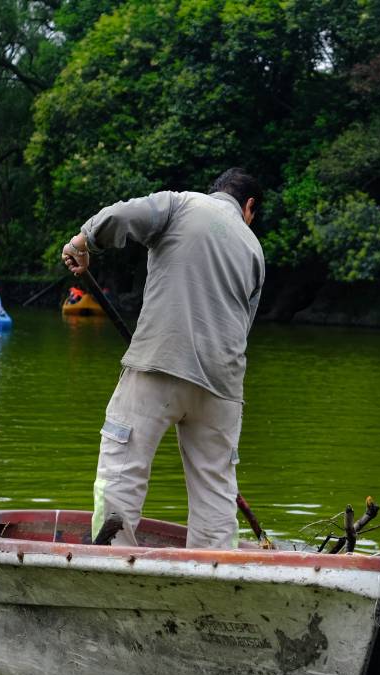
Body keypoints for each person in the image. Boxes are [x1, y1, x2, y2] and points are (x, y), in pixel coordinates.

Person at [61, 167, 264, 549]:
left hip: (160, 364)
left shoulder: (180, 203)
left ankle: (113, 563)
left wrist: (83, 240)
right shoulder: (255, 249)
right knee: (216, 488)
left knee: (122, 468)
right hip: (223, 386)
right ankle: (215, 573)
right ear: (248, 206)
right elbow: (244, 326)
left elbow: (120, 216)